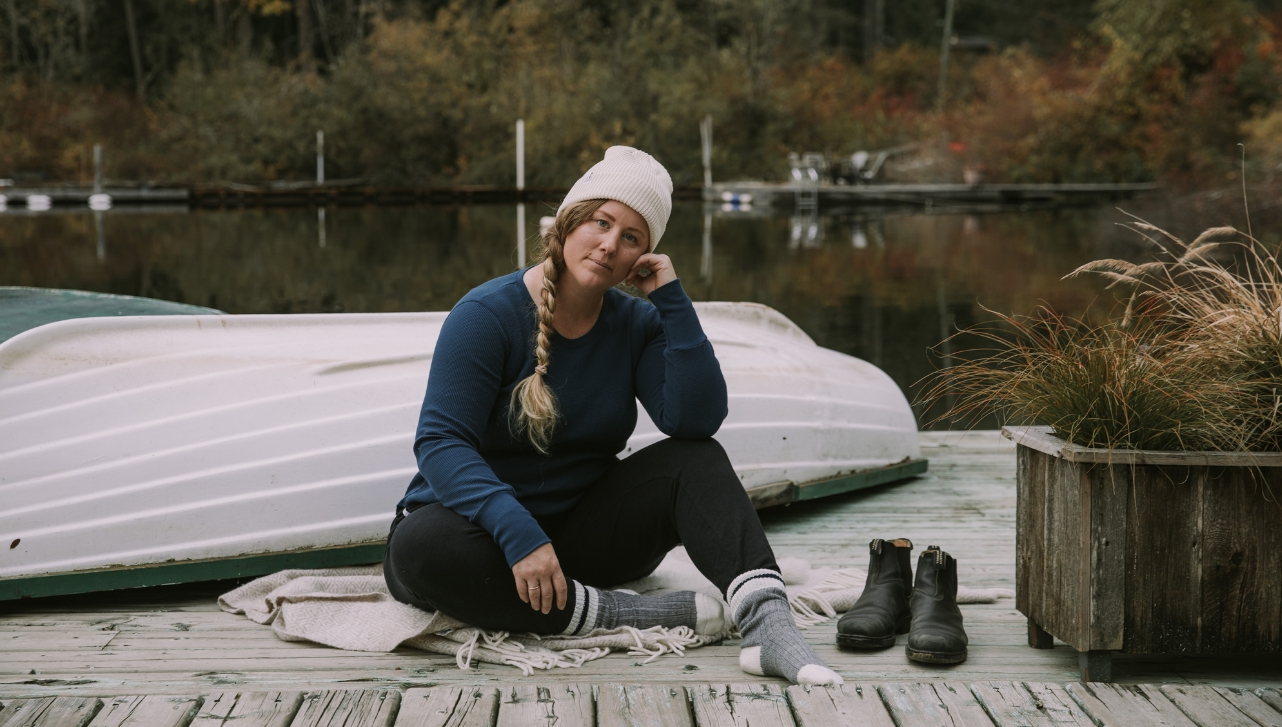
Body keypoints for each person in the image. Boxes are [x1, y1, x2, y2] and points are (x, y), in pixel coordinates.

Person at [383, 146, 842, 686]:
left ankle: (770, 630)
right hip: (482, 540)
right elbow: (440, 442)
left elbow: (693, 420)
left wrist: (671, 301)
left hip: (583, 539)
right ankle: (624, 614)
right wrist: (520, 534)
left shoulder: (636, 323)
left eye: (631, 237)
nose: (608, 245)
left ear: (641, 257)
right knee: (419, 548)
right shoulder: (486, 316)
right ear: (569, 223)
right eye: (601, 223)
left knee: (696, 460)